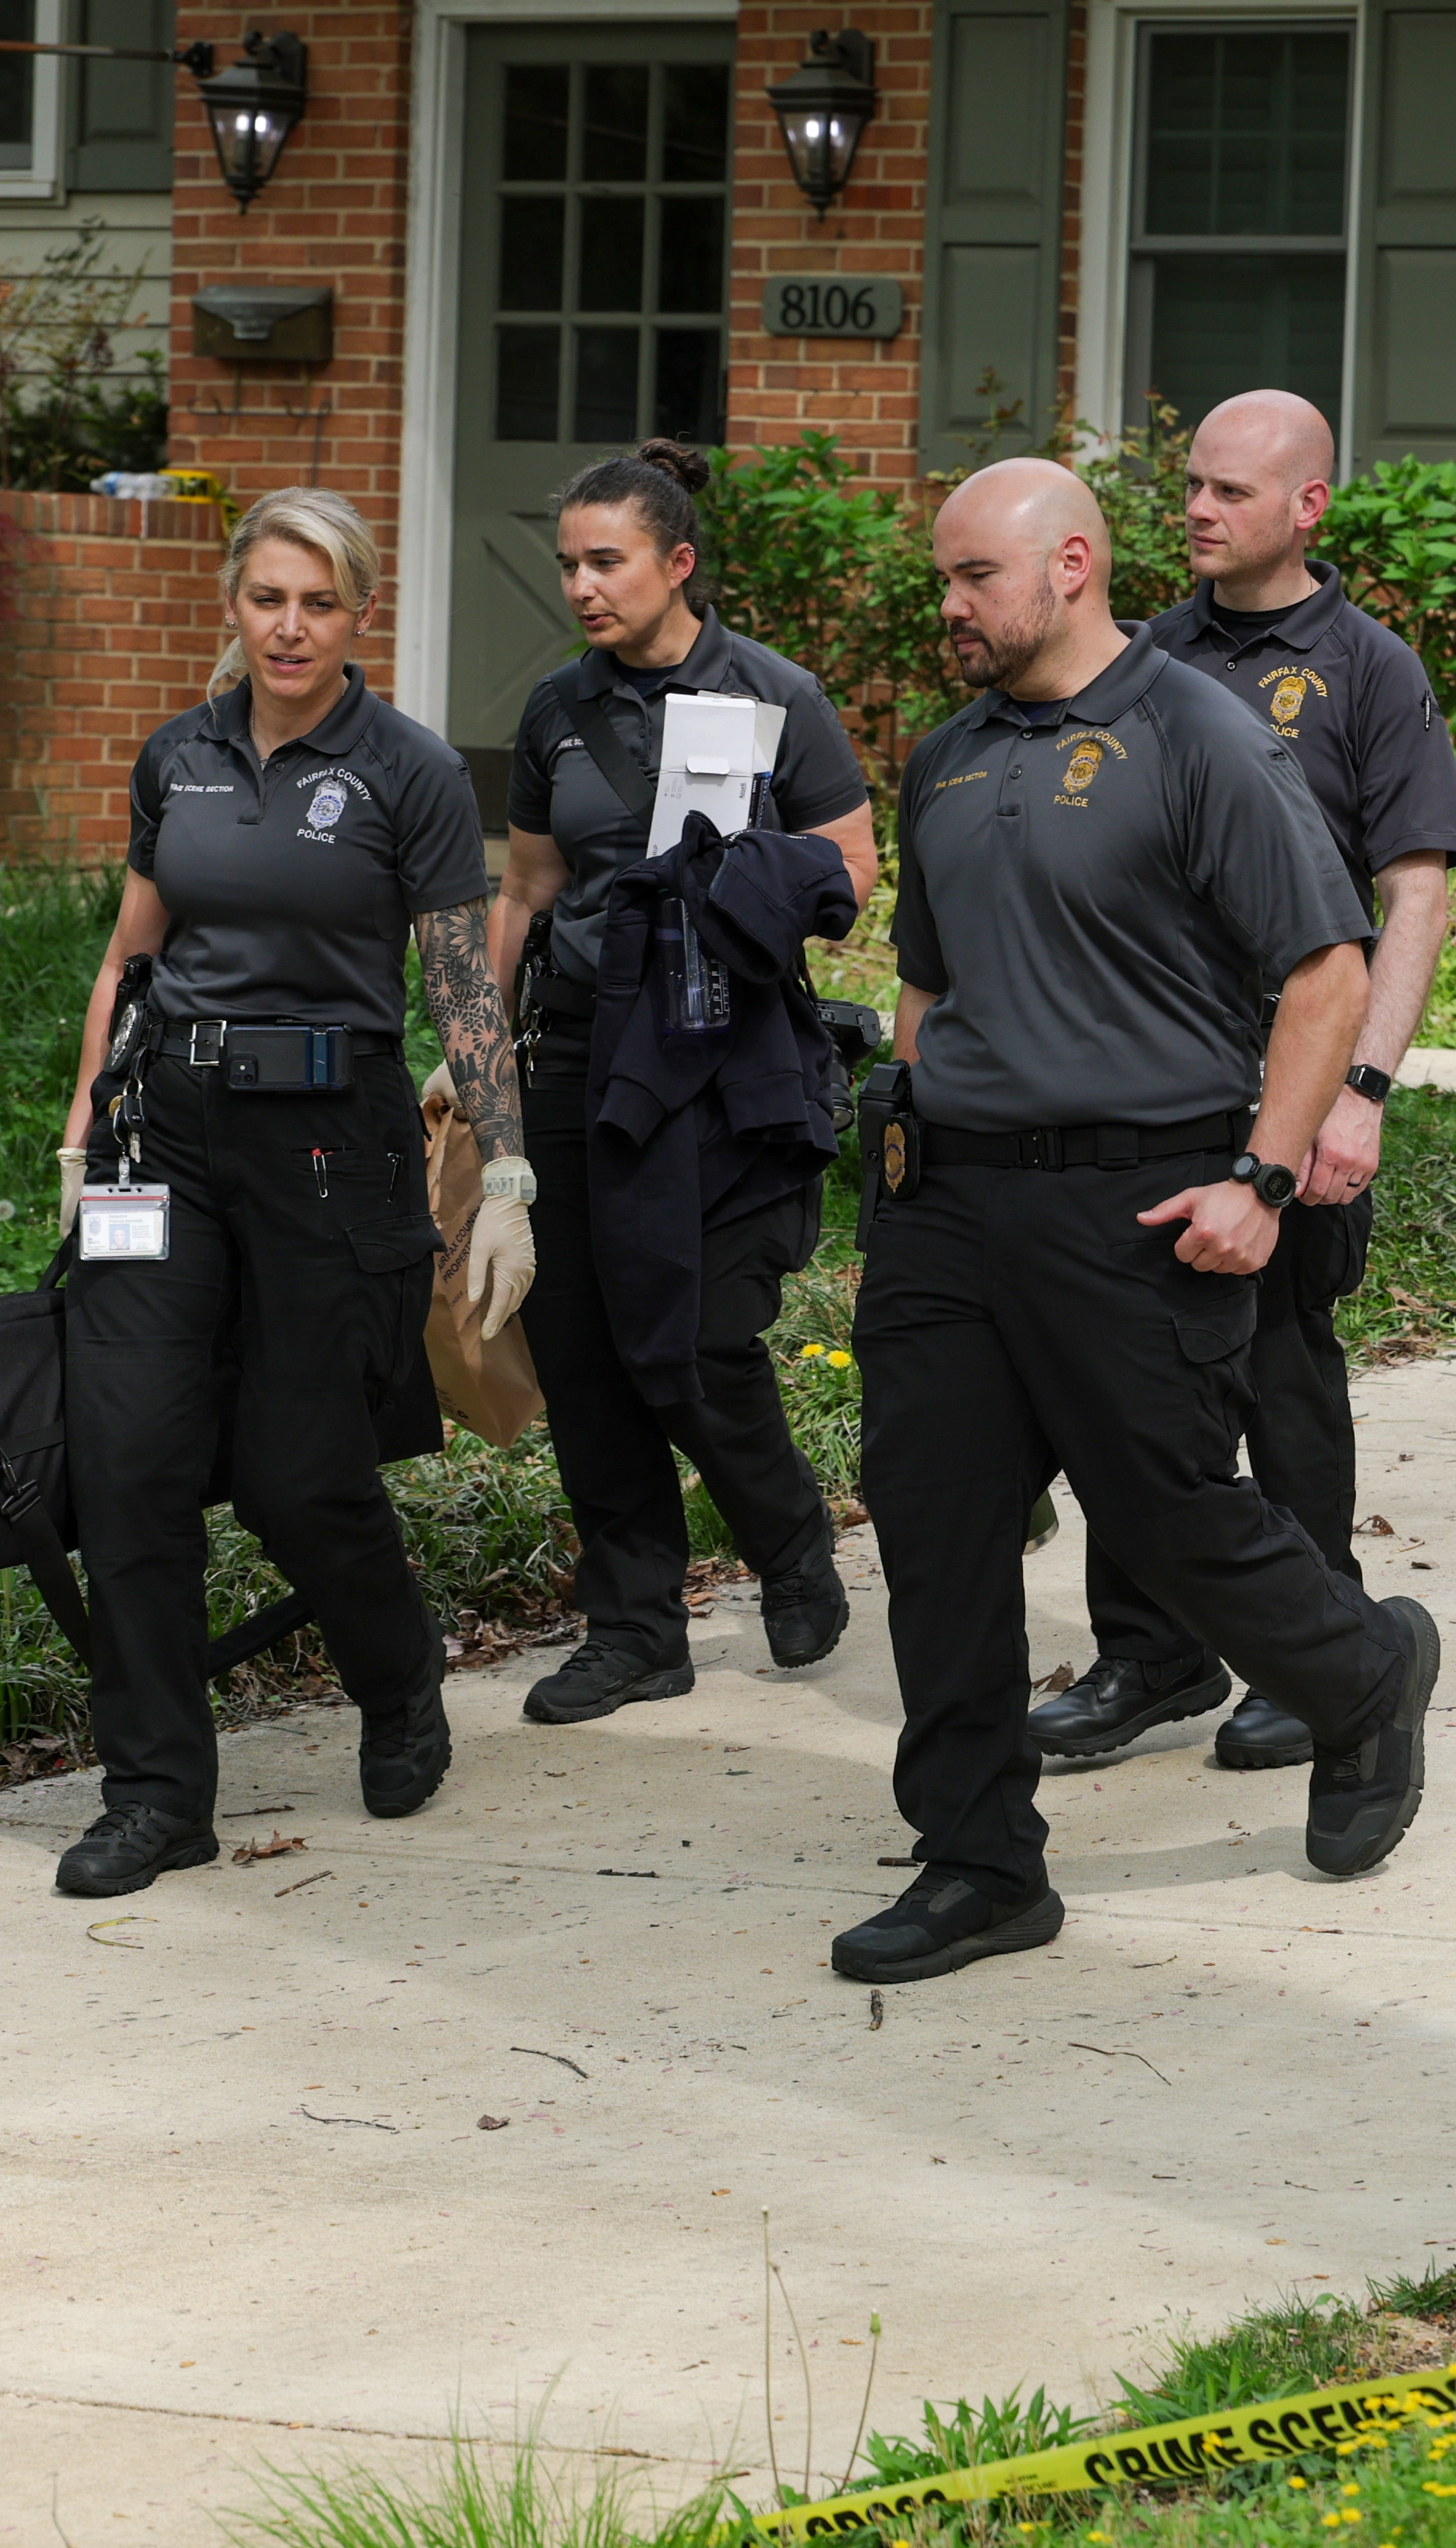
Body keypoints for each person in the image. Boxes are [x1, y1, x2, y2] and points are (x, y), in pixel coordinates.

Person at [836, 458, 1441, 1985]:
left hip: (1135, 1196)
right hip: (949, 1203)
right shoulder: (948, 758)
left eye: (975, 575)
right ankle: (979, 1861)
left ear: (1073, 565)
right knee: (935, 1531)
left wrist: (1263, 1174)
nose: (952, 606)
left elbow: (1327, 973)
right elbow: (927, 980)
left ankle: (1363, 1669)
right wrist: (909, 1138)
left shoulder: (1201, 735)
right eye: (943, 580)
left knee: (1168, 1512)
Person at [49, 486, 532, 1898]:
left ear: (358, 613)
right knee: (126, 1456)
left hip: (333, 1144)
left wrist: (503, 1169)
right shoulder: (177, 757)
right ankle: (155, 1793)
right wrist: (88, 1127)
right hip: (166, 1137)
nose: (290, 626)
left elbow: (458, 983)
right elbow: (133, 955)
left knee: (295, 1473)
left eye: (319, 602)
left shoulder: (410, 770)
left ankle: (399, 1674)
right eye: (269, 597)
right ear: (234, 602)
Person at [1029, 387, 1456, 1773]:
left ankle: (1317, 1646)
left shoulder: (1366, 668)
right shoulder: (1141, 655)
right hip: (1150, 1086)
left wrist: (1365, 1089)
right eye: (1193, 488)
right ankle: (1152, 1653)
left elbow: (1410, 894)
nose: (1200, 510)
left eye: (1231, 490)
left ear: (1308, 507)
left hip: (1291, 1086)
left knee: (1283, 1372)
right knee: (1133, 1379)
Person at [485, 439, 882, 1724]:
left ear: (679, 564)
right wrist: (471, 1048)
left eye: (608, 562)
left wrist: (747, 874)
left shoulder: (777, 697)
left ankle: (789, 1538)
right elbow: (529, 888)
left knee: (698, 1338)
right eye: (569, 565)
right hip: (576, 1049)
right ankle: (636, 1625)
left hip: (717, 1054)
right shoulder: (556, 709)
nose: (584, 587)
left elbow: (852, 874)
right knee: (583, 1342)